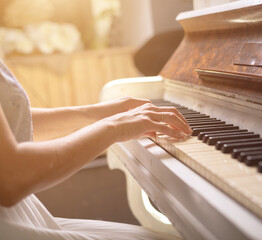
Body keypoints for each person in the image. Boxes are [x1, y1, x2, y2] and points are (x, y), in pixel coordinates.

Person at [0, 58, 192, 240]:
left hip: (24, 214)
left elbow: (12, 120)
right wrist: (116, 126)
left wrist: (97, 113)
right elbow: (10, 177)